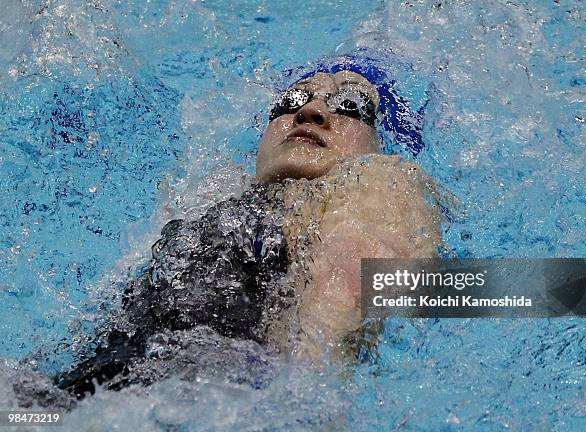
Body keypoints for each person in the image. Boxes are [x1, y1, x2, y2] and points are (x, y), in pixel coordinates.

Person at [13, 67, 441, 403]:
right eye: (292, 99)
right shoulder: (217, 193)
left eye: (350, 104)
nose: (310, 112)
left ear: (383, 144)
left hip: (216, 388)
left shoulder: (380, 180)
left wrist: (301, 398)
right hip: (109, 386)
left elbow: (348, 280)